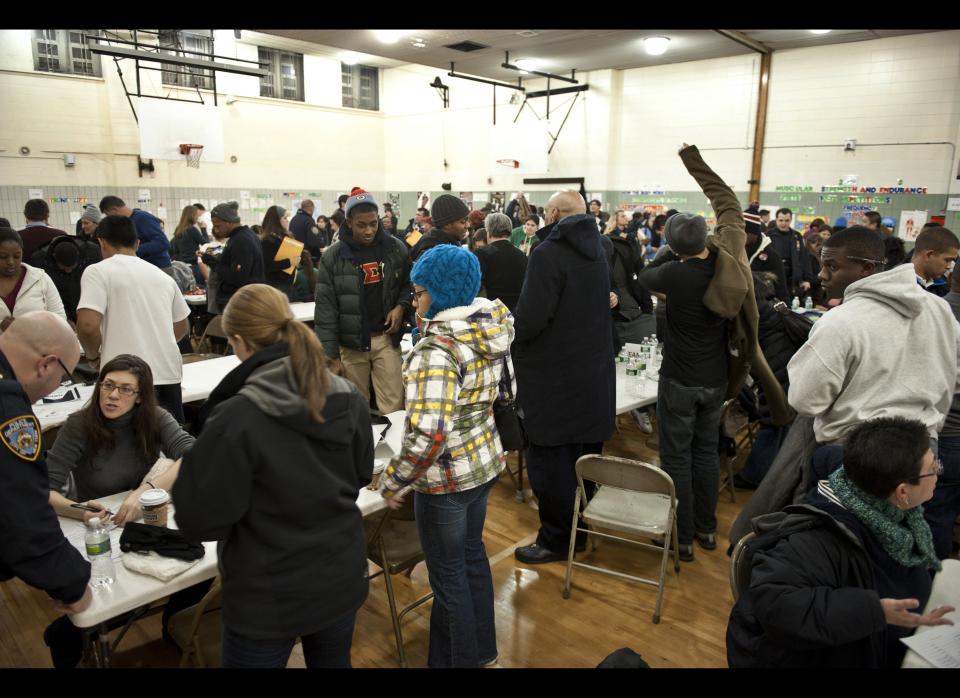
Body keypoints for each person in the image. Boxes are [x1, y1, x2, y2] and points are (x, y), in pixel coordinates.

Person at [173, 284, 373, 668]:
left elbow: (200, 519)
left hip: (269, 595)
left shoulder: (236, 417)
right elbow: (361, 472)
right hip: (339, 575)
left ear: (239, 342)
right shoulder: (347, 395)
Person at [638, 144, 788, 561]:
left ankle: (681, 535)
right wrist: (695, 163)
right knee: (706, 453)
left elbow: (643, 274)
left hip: (678, 381)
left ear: (672, 246)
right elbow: (726, 200)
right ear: (708, 236)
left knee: (676, 457)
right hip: (718, 378)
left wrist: (671, 253)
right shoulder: (733, 257)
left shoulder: (671, 273)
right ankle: (706, 530)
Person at [727, 417, 953, 668]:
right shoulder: (816, 541)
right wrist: (873, 611)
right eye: (934, 468)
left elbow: (825, 455)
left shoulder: (885, 502)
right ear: (902, 492)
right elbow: (775, 605)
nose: (938, 474)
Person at [379, 244, 511, 668]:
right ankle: (482, 651)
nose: (415, 301)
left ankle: (458, 661)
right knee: (471, 558)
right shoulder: (492, 328)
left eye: (419, 293)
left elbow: (430, 433)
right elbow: (508, 393)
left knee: (449, 576)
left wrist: (394, 479)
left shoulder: (437, 350)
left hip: (448, 481)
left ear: (439, 294)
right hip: (484, 463)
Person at [42, 354, 195, 667]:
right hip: (100, 529)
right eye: (107, 385)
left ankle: (171, 625)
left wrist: (148, 490)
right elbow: (44, 491)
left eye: (125, 389)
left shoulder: (155, 418)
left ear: (140, 397)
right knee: (76, 623)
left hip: (140, 520)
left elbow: (194, 453)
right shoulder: (79, 426)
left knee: (197, 572)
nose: (112, 395)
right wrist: (80, 511)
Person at [787, 226, 960, 481]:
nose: (821, 275)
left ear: (866, 269)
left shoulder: (840, 320)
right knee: (911, 521)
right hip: (920, 451)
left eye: (832, 266)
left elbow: (805, 400)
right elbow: (954, 380)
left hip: (855, 454)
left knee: (842, 522)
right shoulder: (939, 310)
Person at [512, 191, 616, 565]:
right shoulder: (600, 247)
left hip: (555, 377)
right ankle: (581, 533)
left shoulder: (548, 253)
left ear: (552, 214)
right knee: (586, 461)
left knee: (551, 466)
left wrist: (512, 329)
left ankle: (556, 540)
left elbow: (532, 318)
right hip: (591, 374)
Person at [0, 312, 93, 628]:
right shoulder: (8, 410)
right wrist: (72, 581)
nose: (59, 385)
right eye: (64, 377)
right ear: (46, 365)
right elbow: (20, 510)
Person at [76, 215, 191, 423]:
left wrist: (93, 357)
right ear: (137, 243)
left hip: (123, 381)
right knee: (169, 446)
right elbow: (182, 326)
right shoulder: (163, 277)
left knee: (126, 449)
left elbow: (87, 325)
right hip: (166, 374)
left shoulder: (98, 272)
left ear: (101, 242)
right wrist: (156, 343)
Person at [314, 189, 411, 413]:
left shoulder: (396, 249)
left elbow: (410, 284)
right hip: (351, 344)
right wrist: (330, 357)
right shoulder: (333, 257)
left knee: (394, 406)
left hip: (386, 340)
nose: (368, 231)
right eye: (361, 225)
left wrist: (400, 306)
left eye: (373, 224)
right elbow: (325, 311)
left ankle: (393, 448)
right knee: (354, 409)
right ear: (348, 222)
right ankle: (363, 448)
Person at [934, 262, 960, 558]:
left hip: (945, 429)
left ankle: (931, 577)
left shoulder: (933, 313)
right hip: (950, 428)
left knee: (935, 514)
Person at [199, 201, 265, 312]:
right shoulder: (245, 235)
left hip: (242, 303)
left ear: (229, 222)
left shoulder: (241, 240)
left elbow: (237, 277)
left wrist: (213, 263)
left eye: (218, 226)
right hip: (247, 299)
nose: (216, 230)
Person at [0, 228, 67, 332]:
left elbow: (60, 319)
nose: (11, 262)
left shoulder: (40, 278)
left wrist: (31, 327)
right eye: (3, 257)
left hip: (37, 346)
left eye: (17, 256)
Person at [605, 214, 655, 348]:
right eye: (621, 216)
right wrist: (647, 310)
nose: (625, 218)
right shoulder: (624, 246)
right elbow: (643, 278)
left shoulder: (601, 247)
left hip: (618, 313)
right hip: (630, 312)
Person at [28, 234, 98, 324]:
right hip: (58, 314)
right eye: (64, 268)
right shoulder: (39, 261)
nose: (68, 271)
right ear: (54, 258)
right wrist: (63, 318)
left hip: (87, 312)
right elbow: (41, 296)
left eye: (72, 268)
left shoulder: (92, 253)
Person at [98, 196, 172, 274]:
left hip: (159, 268)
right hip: (142, 268)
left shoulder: (144, 218)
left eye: (108, 215)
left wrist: (131, 250)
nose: (109, 218)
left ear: (114, 210)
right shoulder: (126, 222)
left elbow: (163, 243)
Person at [475, 212, 527, 313]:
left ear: (488, 231)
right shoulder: (522, 255)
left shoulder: (482, 253)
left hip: (490, 312)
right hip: (516, 312)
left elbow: (476, 287)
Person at [743, 205, 790, 304]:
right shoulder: (734, 251)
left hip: (763, 312)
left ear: (754, 233)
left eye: (745, 232)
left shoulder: (772, 256)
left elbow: (782, 291)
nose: (741, 236)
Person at [768, 208, 814, 300]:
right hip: (774, 277)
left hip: (792, 278)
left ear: (791, 220)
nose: (783, 223)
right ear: (776, 220)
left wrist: (807, 279)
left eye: (787, 220)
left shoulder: (797, 236)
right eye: (781, 220)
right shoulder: (768, 235)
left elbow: (804, 258)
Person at [410, 194, 470, 261]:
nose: (468, 225)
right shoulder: (434, 254)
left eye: (467, 220)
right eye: (463, 222)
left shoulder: (448, 242)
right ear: (447, 224)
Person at [258, 205, 300, 300]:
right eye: (284, 218)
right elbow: (267, 266)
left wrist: (295, 261)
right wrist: (290, 262)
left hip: (286, 284)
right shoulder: (268, 241)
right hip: (275, 287)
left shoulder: (282, 237)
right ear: (276, 220)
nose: (287, 220)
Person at [912, 226, 959, 298]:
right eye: (947, 260)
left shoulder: (944, 288)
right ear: (929, 255)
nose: (949, 266)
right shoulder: (898, 284)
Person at [170, 205, 208, 288]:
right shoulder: (192, 229)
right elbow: (206, 244)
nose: (198, 218)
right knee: (200, 289)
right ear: (192, 216)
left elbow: (174, 249)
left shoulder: (178, 229)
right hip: (194, 266)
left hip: (182, 267)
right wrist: (203, 229)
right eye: (197, 215)